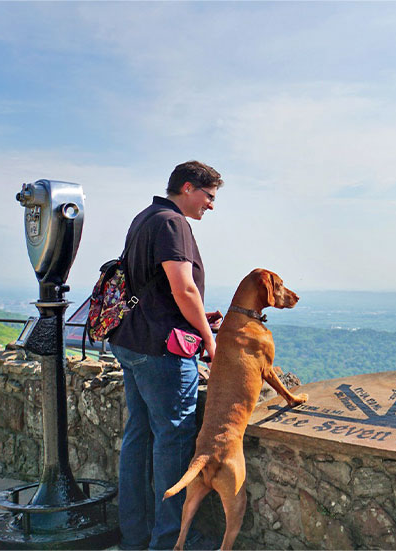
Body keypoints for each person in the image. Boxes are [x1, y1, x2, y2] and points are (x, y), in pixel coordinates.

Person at [109, 160, 224, 549]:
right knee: (173, 440)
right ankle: (171, 541)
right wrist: (209, 339)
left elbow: (155, 287)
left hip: (131, 342)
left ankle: (135, 534)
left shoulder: (145, 217)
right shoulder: (173, 224)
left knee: (138, 436)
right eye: (209, 197)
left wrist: (192, 318)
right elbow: (183, 288)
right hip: (161, 350)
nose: (211, 205)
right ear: (188, 188)